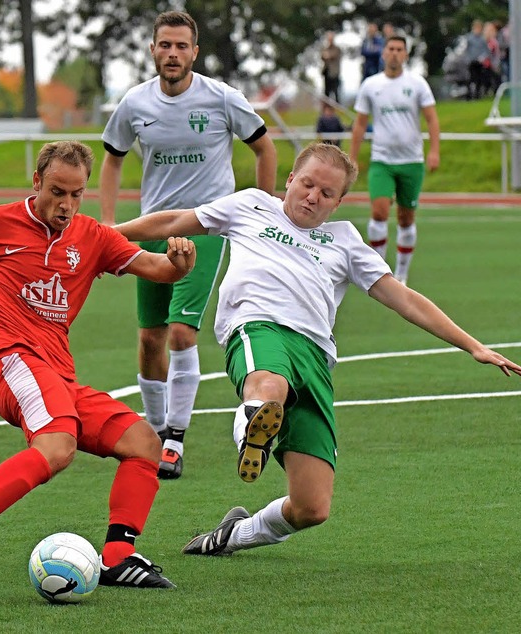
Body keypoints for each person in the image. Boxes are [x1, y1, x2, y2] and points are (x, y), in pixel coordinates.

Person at [112, 142, 521, 558]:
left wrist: (472, 346)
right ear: (290, 180)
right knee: (268, 385)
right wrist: (108, 233)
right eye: (307, 184)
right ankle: (251, 433)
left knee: (311, 507)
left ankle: (233, 534)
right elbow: (173, 220)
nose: (312, 197)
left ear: (339, 202)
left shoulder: (344, 241)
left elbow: (406, 299)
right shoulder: (251, 205)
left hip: (316, 359)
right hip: (258, 329)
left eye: (326, 194)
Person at [0, 141, 197, 592]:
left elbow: (157, 268)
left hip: (58, 375)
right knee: (57, 445)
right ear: (36, 182)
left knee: (144, 442)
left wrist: (180, 264)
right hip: (10, 359)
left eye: (76, 194)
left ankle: (117, 557)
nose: (66, 205)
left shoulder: (93, 236)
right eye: (57, 191)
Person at [99, 10, 277, 480]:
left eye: (181, 46)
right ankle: (155, 432)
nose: (172, 53)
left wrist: (262, 207)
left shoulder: (221, 97)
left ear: (194, 52)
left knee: (181, 332)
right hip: (153, 232)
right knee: (149, 338)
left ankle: (175, 438)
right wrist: (111, 222)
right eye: (165, 45)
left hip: (204, 229)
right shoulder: (135, 103)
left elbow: (264, 146)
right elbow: (113, 159)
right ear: (153, 50)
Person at [349, 35, 440, 287]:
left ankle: (401, 273)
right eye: (391, 49)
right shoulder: (371, 85)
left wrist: (434, 151)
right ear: (383, 53)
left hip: (412, 161)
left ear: (406, 55)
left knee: (405, 218)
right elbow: (360, 123)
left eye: (400, 49)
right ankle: (378, 271)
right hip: (382, 161)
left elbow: (432, 119)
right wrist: (352, 158)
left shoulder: (417, 84)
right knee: (378, 211)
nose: (395, 53)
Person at [465, 19, 489, 100]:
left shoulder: (482, 39)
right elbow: (467, 50)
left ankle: (477, 95)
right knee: (471, 78)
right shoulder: (469, 38)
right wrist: (468, 59)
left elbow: (486, 51)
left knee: (479, 79)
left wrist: (482, 57)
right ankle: (469, 94)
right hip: (472, 61)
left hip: (480, 62)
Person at [320, 31, 342, 103]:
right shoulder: (325, 48)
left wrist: (327, 55)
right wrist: (326, 55)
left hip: (334, 72)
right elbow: (323, 56)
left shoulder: (337, 49)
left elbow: (332, 56)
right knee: (326, 91)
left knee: (335, 90)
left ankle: (338, 106)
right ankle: (326, 108)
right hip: (327, 71)